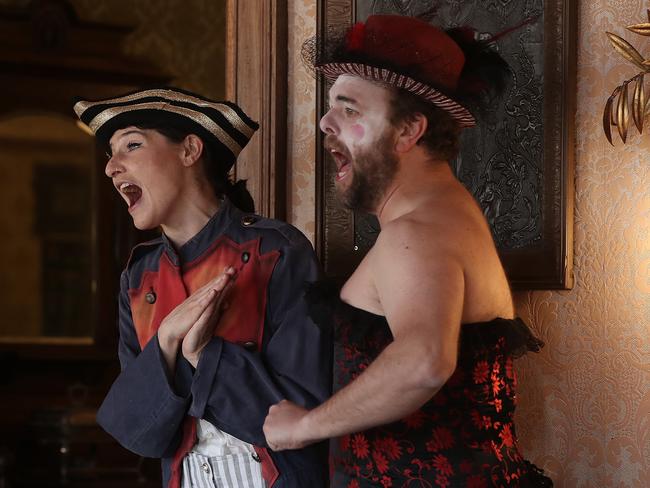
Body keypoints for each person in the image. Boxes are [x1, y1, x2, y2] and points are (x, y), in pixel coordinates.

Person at [263, 14, 553, 487]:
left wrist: (303, 427)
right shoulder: (447, 215)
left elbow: (424, 362)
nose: (325, 121)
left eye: (350, 109)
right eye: (331, 105)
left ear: (408, 130)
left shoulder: (415, 234)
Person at [73, 87, 331, 488]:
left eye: (132, 145)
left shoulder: (275, 250)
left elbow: (304, 406)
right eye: (110, 153)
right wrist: (167, 342)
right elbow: (138, 429)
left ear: (190, 150)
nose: (111, 167)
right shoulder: (139, 277)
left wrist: (200, 353)